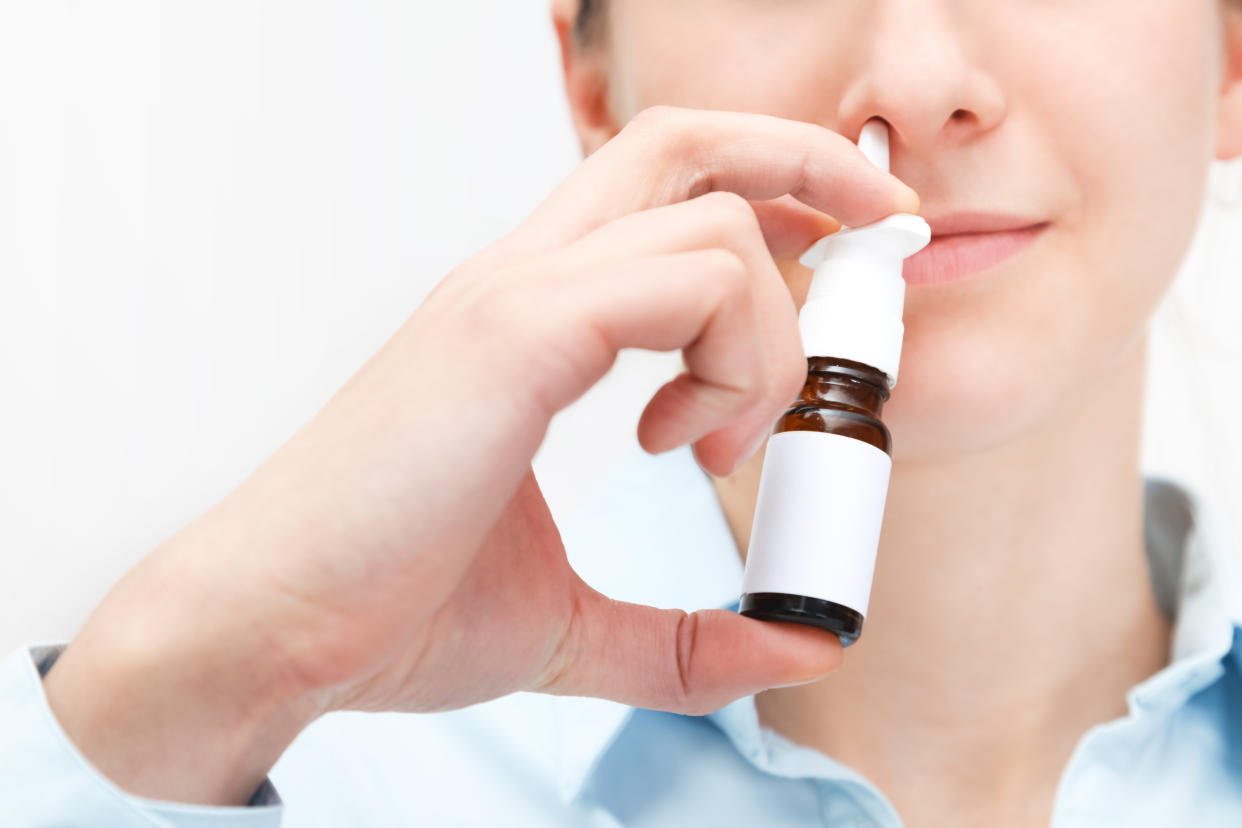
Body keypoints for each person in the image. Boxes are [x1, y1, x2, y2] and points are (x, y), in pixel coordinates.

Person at [3, 0, 1241, 825]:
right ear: (592, 81)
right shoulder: (278, 766)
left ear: (1232, 48)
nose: (917, 84)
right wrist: (208, 671)